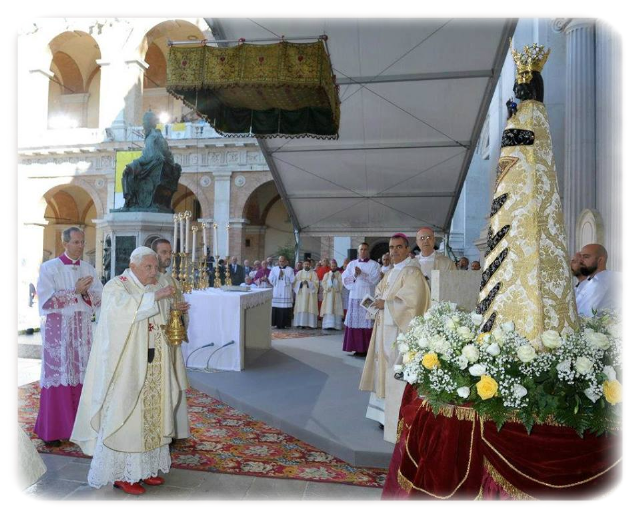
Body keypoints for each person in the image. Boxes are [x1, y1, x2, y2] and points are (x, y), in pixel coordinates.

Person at [70, 247, 181, 495]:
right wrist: (157, 298)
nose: (154, 272)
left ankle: (146, 469)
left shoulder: (153, 286)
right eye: (148, 268)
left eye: (155, 267)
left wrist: (171, 308)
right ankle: (122, 474)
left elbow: (157, 318)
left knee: (151, 415)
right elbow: (120, 317)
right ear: (133, 267)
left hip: (153, 362)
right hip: (126, 365)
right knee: (127, 416)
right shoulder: (116, 286)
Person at [35, 227, 103, 447]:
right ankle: (54, 430)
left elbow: (99, 298)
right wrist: (74, 291)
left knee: (82, 373)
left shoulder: (88, 268)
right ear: (64, 243)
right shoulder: (49, 268)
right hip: (59, 332)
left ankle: (81, 428)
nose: (80, 246)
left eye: (82, 242)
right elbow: (45, 300)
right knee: (60, 374)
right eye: (76, 242)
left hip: (82, 332)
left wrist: (85, 293)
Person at [359, 234, 429, 442]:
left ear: (408, 249)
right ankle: (383, 414)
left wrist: (386, 305)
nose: (394, 251)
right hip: (384, 328)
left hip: (399, 331)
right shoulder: (391, 272)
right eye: (391, 247)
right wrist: (378, 301)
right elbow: (381, 291)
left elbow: (413, 304)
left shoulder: (413, 273)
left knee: (394, 370)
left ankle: (396, 415)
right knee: (383, 370)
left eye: (399, 247)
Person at [151, 238, 191, 441]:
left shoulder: (173, 281)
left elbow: (180, 310)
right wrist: (172, 310)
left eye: (169, 253)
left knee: (174, 381)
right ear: (154, 254)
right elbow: (149, 310)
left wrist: (182, 314)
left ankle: (177, 430)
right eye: (164, 252)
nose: (168, 256)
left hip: (171, 343)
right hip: (157, 343)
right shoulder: (149, 281)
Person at [120, 111, 181, 212]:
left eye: (144, 123)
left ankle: (129, 202)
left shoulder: (151, 137)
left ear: (148, 123)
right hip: (159, 166)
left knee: (127, 172)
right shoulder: (158, 135)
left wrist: (135, 162)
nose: (143, 125)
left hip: (151, 166)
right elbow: (168, 154)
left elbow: (149, 156)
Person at [342, 243, 382, 356]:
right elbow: (345, 280)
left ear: (368, 251)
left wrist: (362, 274)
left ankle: (367, 349)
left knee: (367, 321)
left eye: (365, 249)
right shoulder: (351, 264)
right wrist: (355, 274)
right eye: (361, 249)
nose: (363, 251)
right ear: (358, 251)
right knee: (354, 322)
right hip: (354, 296)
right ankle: (356, 348)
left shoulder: (374, 265)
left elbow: (375, 279)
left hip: (367, 296)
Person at [575, 244, 622, 316]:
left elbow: (586, 315)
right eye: (581, 257)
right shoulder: (586, 283)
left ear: (600, 260)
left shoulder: (603, 281)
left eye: (586, 257)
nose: (581, 261)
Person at [268, 256, 295, 329]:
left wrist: (284, 275)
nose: (281, 263)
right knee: (276, 306)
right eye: (280, 261)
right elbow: (270, 279)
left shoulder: (290, 270)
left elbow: (292, 280)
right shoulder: (274, 269)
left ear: (286, 261)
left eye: (283, 261)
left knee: (285, 307)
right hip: (277, 290)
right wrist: (278, 276)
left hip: (285, 290)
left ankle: (285, 324)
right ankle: (276, 323)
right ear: (278, 261)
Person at [293, 260, 319, 328]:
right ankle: (300, 323)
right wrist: (301, 283)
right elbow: (295, 283)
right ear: (303, 265)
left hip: (310, 295)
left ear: (310, 265)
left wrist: (308, 283)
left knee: (310, 307)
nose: (306, 265)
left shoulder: (313, 273)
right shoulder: (299, 273)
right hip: (301, 294)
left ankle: (310, 324)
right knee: (301, 307)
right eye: (305, 264)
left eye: (308, 264)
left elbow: (316, 283)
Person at [320, 259, 344, 330]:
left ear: (336, 266)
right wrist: (330, 281)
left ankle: (336, 325)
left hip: (336, 294)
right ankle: (328, 325)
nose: (333, 267)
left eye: (335, 266)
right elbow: (323, 283)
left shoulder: (339, 275)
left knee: (336, 309)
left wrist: (335, 280)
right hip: (329, 294)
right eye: (332, 266)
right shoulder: (327, 274)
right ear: (330, 266)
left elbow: (341, 284)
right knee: (328, 308)